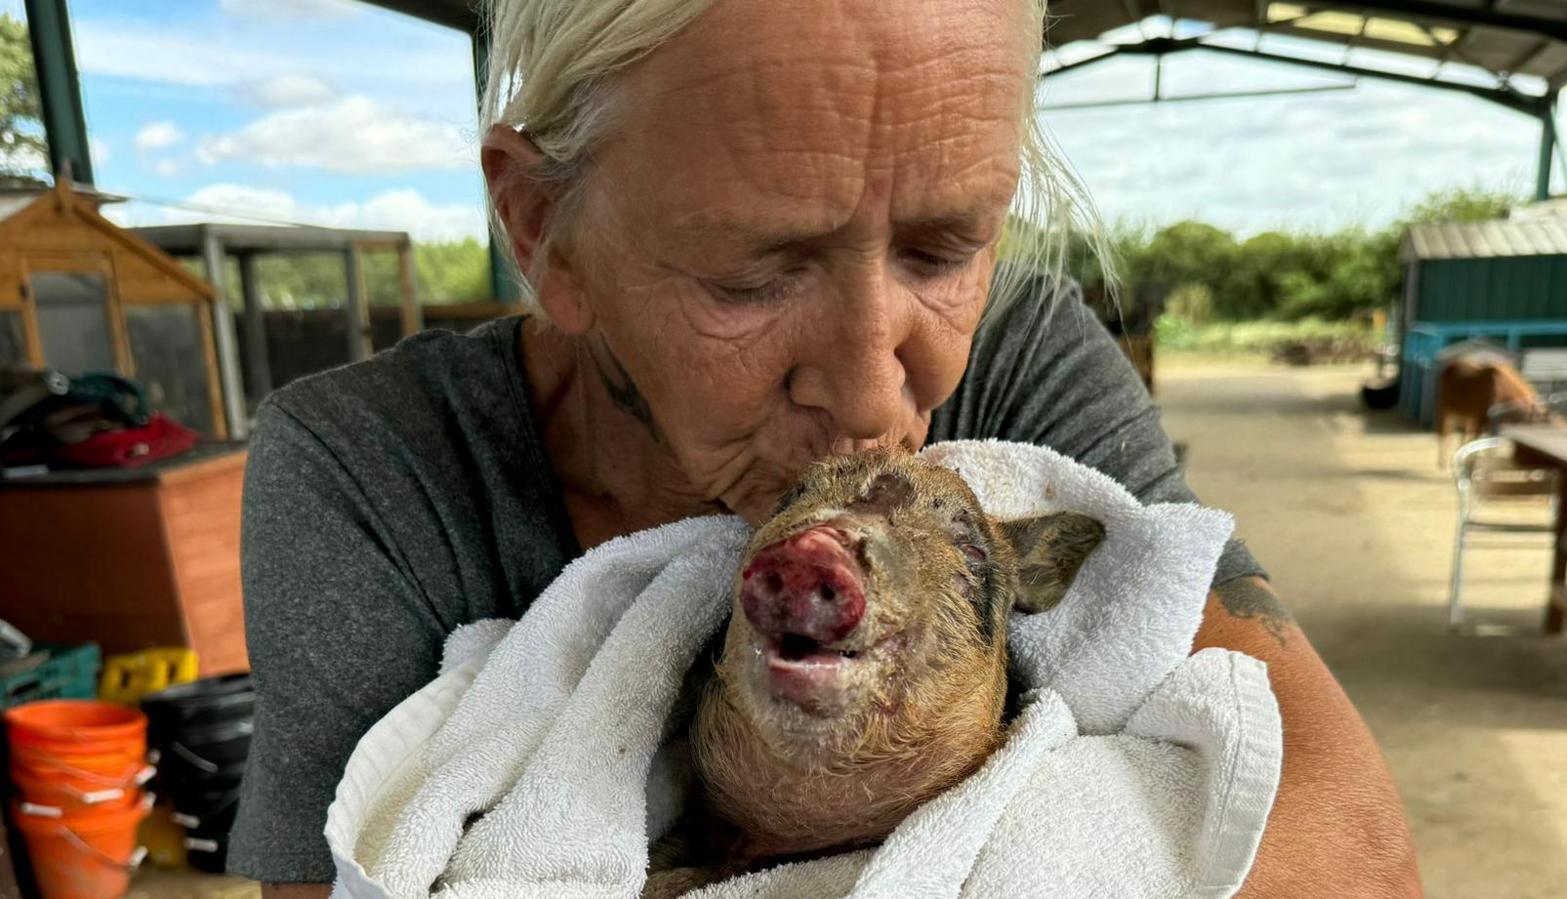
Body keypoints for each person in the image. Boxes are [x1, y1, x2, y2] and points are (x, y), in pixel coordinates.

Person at [227, 0, 1422, 895]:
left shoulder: (1023, 358)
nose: (870, 385)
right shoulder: (371, 466)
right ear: (545, 233)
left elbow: (1348, 851)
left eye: (944, 250)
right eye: (754, 274)